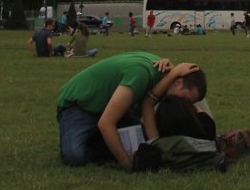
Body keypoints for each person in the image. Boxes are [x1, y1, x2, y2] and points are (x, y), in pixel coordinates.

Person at [56, 51, 206, 170]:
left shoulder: (166, 78)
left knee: (141, 141)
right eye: (186, 99)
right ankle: (91, 140)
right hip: (80, 107)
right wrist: (127, 164)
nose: (184, 105)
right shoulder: (142, 74)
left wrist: (155, 147)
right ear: (178, 82)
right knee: (75, 157)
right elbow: (106, 123)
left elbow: (148, 104)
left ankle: (101, 139)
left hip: (113, 111)